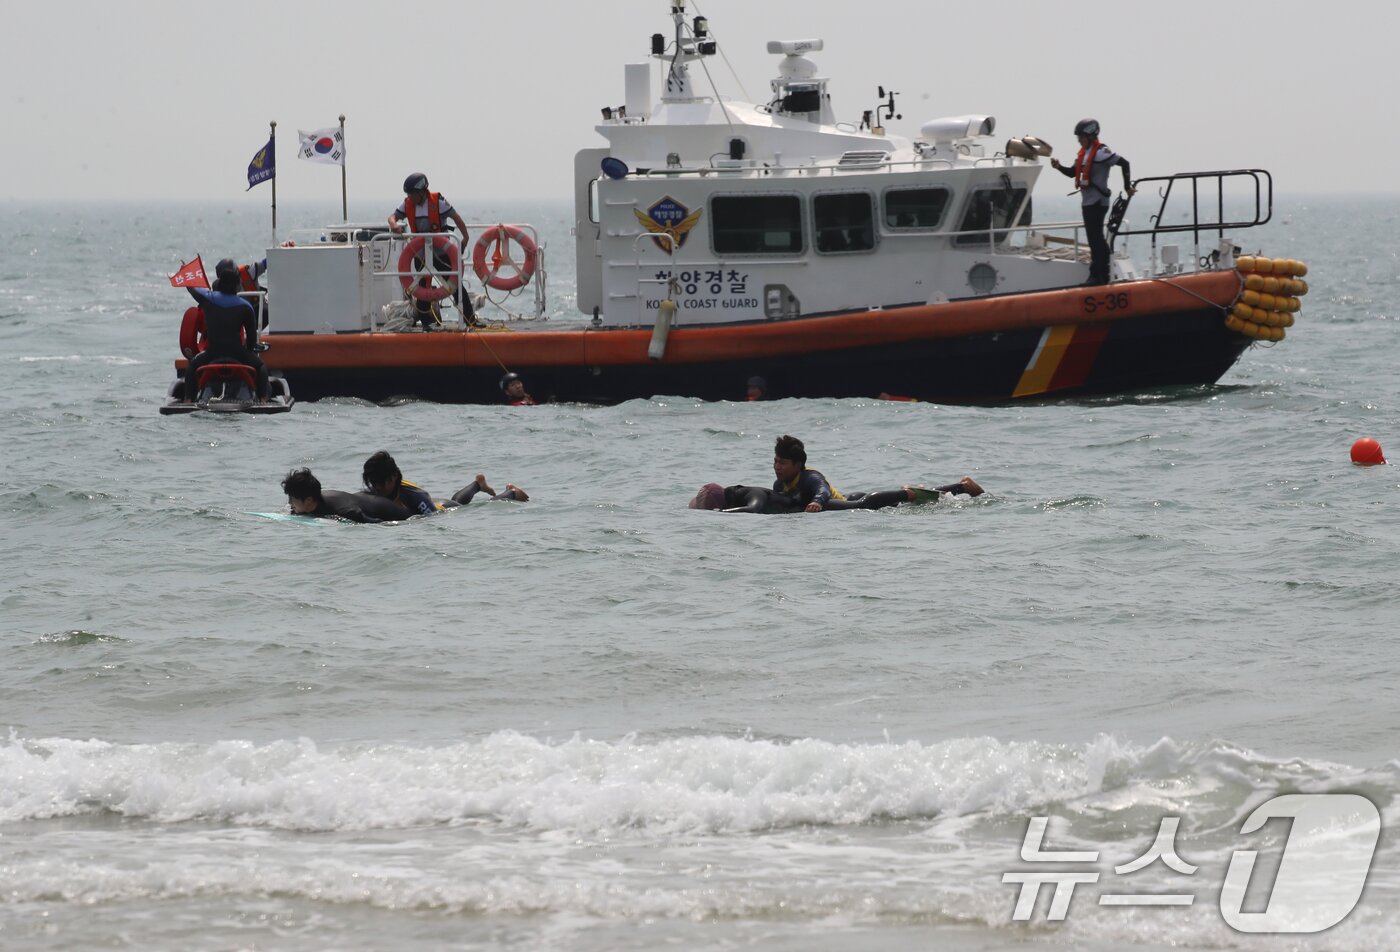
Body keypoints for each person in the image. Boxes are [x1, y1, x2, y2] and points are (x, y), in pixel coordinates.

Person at [771, 434, 984, 512]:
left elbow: (822, 490)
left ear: (798, 465)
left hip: (849, 503)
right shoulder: (779, 485)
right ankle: (960, 487)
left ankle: (962, 487)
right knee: (913, 503)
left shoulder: (810, 476)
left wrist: (817, 501)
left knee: (904, 501)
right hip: (847, 499)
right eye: (775, 461)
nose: (777, 467)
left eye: (783, 463)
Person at [1050, 118, 1135, 286]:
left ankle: (1098, 274)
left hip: (1098, 202)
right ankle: (1101, 274)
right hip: (1087, 202)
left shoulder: (1101, 152)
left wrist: (1127, 186)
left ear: (1090, 136)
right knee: (1093, 239)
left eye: (1081, 137)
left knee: (1096, 239)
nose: (1079, 140)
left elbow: (1124, 163)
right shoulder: (1083, 154)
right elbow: (1072, 173)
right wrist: (1058, 166)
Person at [388, 173, 477, 327]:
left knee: (455, 285)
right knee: (422, 288)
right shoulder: (408, 203)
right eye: (408, 194)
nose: (410, 197)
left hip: (441, 253)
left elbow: (456, 218)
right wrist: (394, 224)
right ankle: (427, 323)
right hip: (421, 253)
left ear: (422, 192)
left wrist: (465, 237)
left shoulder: (439, 203)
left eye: (412, 194)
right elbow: (392, 217)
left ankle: (470, 320)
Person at [183, 258, 269, 403]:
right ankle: (263, 399)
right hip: (237, 353)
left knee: (191, 368)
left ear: (219, 283)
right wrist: (249, 350)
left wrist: (186, 270)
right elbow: (252, 341)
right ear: (237, 286)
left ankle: (187, 400)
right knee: (261, 367)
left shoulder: (207, 298)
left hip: (212, 353)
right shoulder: (245, 306)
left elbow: (191, 287)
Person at [361, 450, 528, 516]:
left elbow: (433, 518)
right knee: (458, 501)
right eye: (374, 484)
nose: (378, 488)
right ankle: (478, 484)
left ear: (393, 478)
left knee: (472, 508)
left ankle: (511, 493)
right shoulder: (378, 488)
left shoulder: (413, 496)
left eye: (382, 483)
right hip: (438, 501)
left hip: (441, 509)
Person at [281, 468, 410, 523]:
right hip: (364, 499)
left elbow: (378, 524)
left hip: (394, 512)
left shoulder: (346, 512)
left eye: (292, 499)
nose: (290, 503)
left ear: (309, 500)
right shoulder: (313, 500)